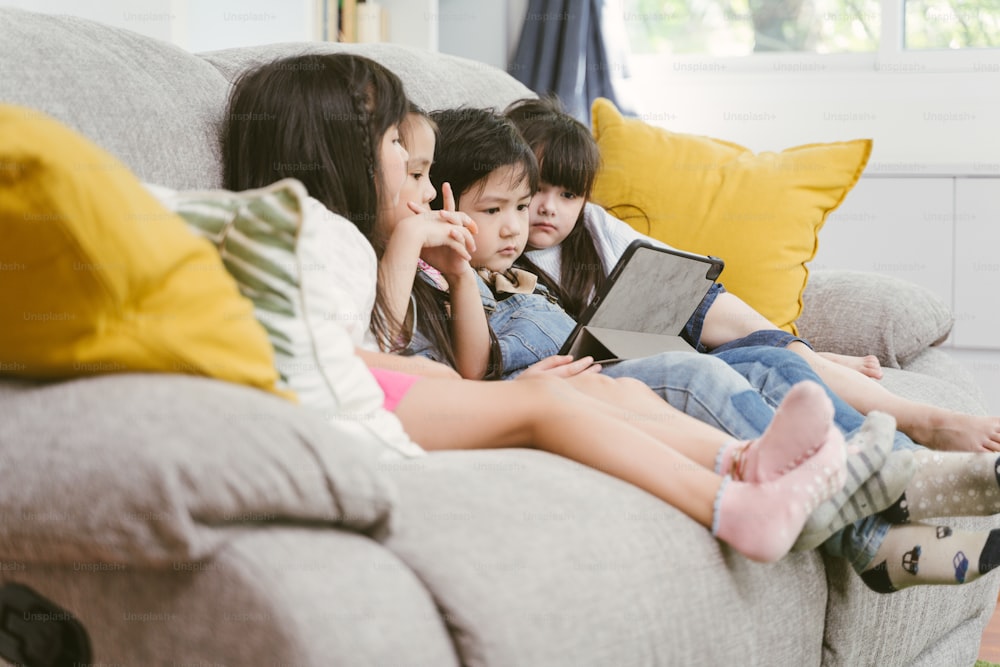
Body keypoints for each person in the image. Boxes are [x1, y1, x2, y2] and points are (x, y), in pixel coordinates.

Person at [219, 51, 853, 564]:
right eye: (411, 171)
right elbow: (344, 355)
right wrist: (415, 269)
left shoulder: (358, 245)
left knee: (621, 394)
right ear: (339, 157)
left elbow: (361, 351)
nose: (424, 191)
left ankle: (743, 462)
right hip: (374, 414)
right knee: (550, 400)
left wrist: (440, 284)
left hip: (413, 391)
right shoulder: (318, 238)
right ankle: (734, 506)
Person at [407, 104, 1000, 592]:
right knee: (696, 373)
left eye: (525, 203)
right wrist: (455, 271)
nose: (519, 225)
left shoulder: (526, 269)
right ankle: (886, 509)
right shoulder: (445, 277)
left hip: (613, 365)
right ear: (444, 202)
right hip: (595, 385)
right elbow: (474, 368)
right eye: (498, 210)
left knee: (766, 361)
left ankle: (899, 468)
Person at [505, 95, 1000, 456]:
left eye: (569, 194)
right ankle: (812, 362)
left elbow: (679, 270)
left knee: (697, 300)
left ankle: (917, 416)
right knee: (758, 357)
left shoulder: (590, 223)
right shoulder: (499, 251)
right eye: (538, 191)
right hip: (628, 360)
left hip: (660, 325)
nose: (550, 208)